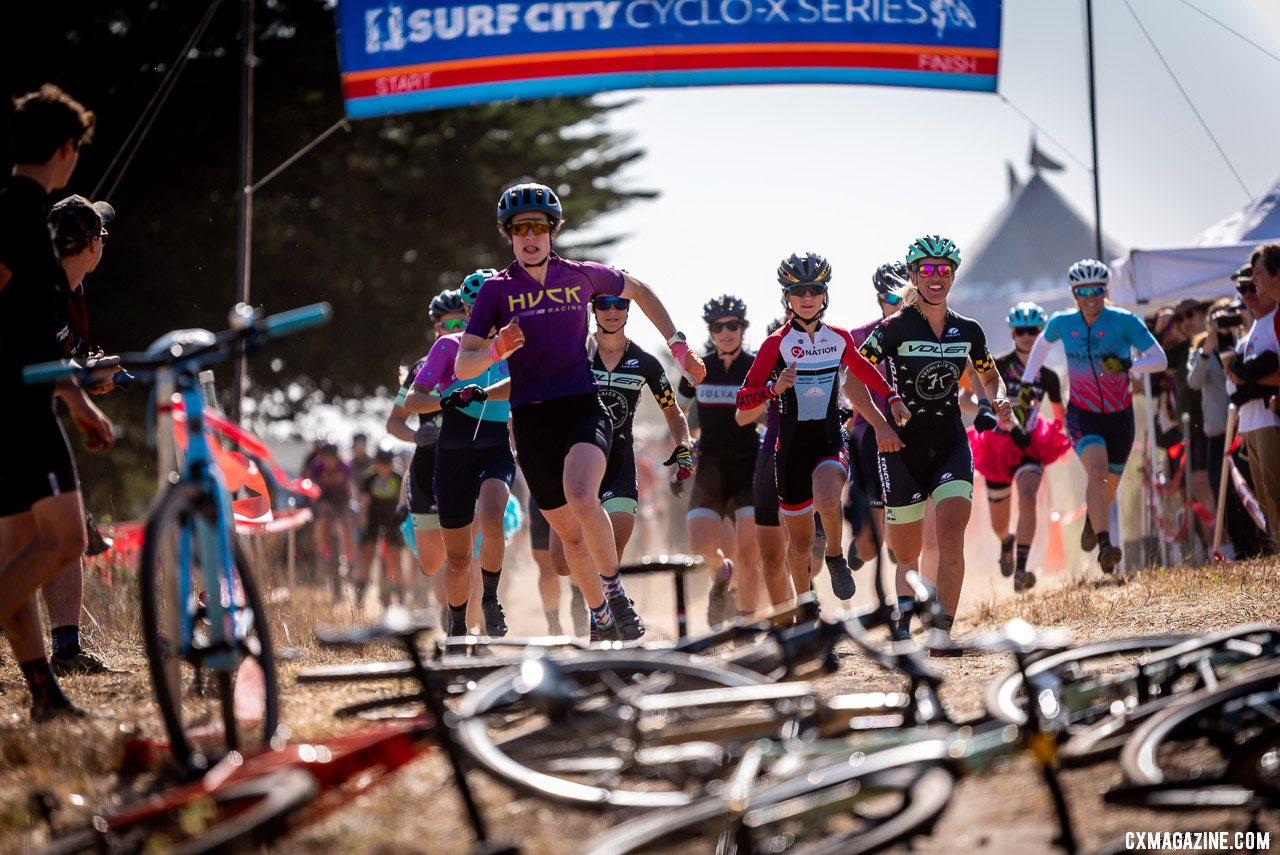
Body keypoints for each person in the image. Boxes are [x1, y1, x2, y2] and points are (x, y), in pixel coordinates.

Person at [455, 183, 705, 641]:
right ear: (508, 235)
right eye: (519, 229)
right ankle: (601, 617)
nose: (530, 237)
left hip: (582, 407)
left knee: (583, 495)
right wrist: (494, 350)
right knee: (569, 540)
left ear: (553, 232)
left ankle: (615, 593)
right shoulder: (496, 291)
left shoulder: (582, 276)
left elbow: (642, 290)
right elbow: (463, 363)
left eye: (538, 228)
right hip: (530, 420)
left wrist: (678, 343)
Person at [0, 84, 115, 720]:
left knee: (19, 548)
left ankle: (43, 692)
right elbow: (32, 337)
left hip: (20, 397)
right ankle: (45, 687)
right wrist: (77, 401)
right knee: (67, 540)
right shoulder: (22, 214)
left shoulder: (15, 209)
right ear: (66, 149)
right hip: (20, 404)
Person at [857, 236, 1010, 655]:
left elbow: (989, 374)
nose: (936, 277)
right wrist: (879, 421)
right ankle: (905, 630)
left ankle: (942, 631)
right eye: (926, 270)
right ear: (912, 276)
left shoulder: (969, 330)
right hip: (900, 448)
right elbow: (853, 374)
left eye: (944, 270)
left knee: (950, 533)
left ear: (954, 275)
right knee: (905, 553)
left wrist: (996, 398)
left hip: (949, 443)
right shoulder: (895, 327)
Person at [738, 252, 908, 607]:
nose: (807, 297)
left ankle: (834, 556)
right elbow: (743, 399)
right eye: (799, 290)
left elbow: (863, 371)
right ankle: (804, 607)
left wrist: (891, 396)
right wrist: (774, 388)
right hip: (790, 452)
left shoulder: (839, 338)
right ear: (787, 295)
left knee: (829, 497)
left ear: (824, 294)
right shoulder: (775, 344)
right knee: (798, 545)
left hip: (830, 440)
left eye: (814, 289)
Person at [551, 293, 692, 636]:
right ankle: (590, 600)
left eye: (620, 305)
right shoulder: (575, 354)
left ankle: (601, 620)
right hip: (576, 460)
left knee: (611, 546)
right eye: (604, 305)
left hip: (619, 464)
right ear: (593, 310)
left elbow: (673, 412)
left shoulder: (644, 362)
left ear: (629, 309)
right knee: (561, 562)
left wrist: (684, 445)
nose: (612, 312)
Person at [1020, 259, 1168, 573]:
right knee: (1097, 470)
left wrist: (1129, 365)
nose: (1091, 297)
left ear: (1105, 290)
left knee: (1107, 487)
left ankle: (1092, 522)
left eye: (1097, 290)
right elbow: (1039, 352)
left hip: (1120, 416)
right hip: (1082, 414)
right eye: (1084, 291)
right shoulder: (1062, 322)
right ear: (1074, 293)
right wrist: (1026, 384)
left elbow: (1159, 359)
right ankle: (1105, 546)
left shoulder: (1124, 321)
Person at [406, 287, 515, 637]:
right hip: (451, 455)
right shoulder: (447, 346)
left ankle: (490, 598)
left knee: (493, 514)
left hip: (495, 449)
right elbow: (412, 401)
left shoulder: (514, 347)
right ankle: (456, 624)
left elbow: (526, 385)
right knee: (456, 559)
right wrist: (445, 400)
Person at [967, 302, 1069, 593]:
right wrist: (985, 410)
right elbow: (967, 397)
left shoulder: (1048, 376)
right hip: (997, 447)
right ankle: (1006, 542)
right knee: (999, 523)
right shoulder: (997, 364)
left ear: (1041, 333)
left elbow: (1060, 415)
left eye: (1033, 331)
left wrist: (1067, 441)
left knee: (1027, 499)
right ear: (1013, 333)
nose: (1026, 337)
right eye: (1020, 331)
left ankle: (1022, 569)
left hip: (1031, 444)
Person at [680, 295, 762, 624]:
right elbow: (678, 410)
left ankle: (746, 620)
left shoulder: (756, 366)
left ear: (743, 328)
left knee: (748, 551)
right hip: (711, 469)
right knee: (699, 544)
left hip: (748, 468)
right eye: (718, 327)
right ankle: (723, 574)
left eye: (733, 326)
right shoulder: (701, 369)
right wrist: (683, 448)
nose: (726, 332)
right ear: (711, 332)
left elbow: (772, 414)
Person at [384, 292, 457, 614]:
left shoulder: (487, 361)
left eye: (462, 321)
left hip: (471, 466)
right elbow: (393, 422)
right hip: (429, 467)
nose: (455, 327)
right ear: (436, 327)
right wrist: (416, 434)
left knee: (468, 553)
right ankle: (450, 612)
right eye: (447, 323)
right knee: (433, 563)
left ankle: (469, 626)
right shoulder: (420, 370)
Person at [1222, 245, 1280, 540]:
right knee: (1267, 499)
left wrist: (1250, 380)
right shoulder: (1255, 329)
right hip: (1250, 421)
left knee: (1276, 493)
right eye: (1242, 289)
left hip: (1270, 419)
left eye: (1253, 284)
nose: (1249, 293)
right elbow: (1235, 384)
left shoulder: (1274, 321)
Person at [354, 448, 407, 607]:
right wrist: (360, 526)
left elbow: (403, 502)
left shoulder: (398, 477)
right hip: (373, 521)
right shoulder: (369, 478)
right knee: (367, 557)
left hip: (393, 522)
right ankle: (360, 597)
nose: (384, 468)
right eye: (381, 464)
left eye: (387, 464)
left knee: (395, 558)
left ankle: (400, 597)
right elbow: (363, 503)